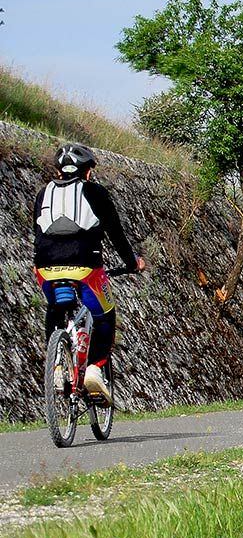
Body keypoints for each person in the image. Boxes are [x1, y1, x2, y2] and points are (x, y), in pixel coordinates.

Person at [33, 144, 145, 405]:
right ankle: (94, 368)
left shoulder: (42, 194)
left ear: (59, 171)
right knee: (105, 317)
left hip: (47, 269)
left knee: (56, 308)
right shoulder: (94, 192)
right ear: (88, 173)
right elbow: (116, 233)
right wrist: (132, 263)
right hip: (86, 270)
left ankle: (58, 367)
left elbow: (37, 234)